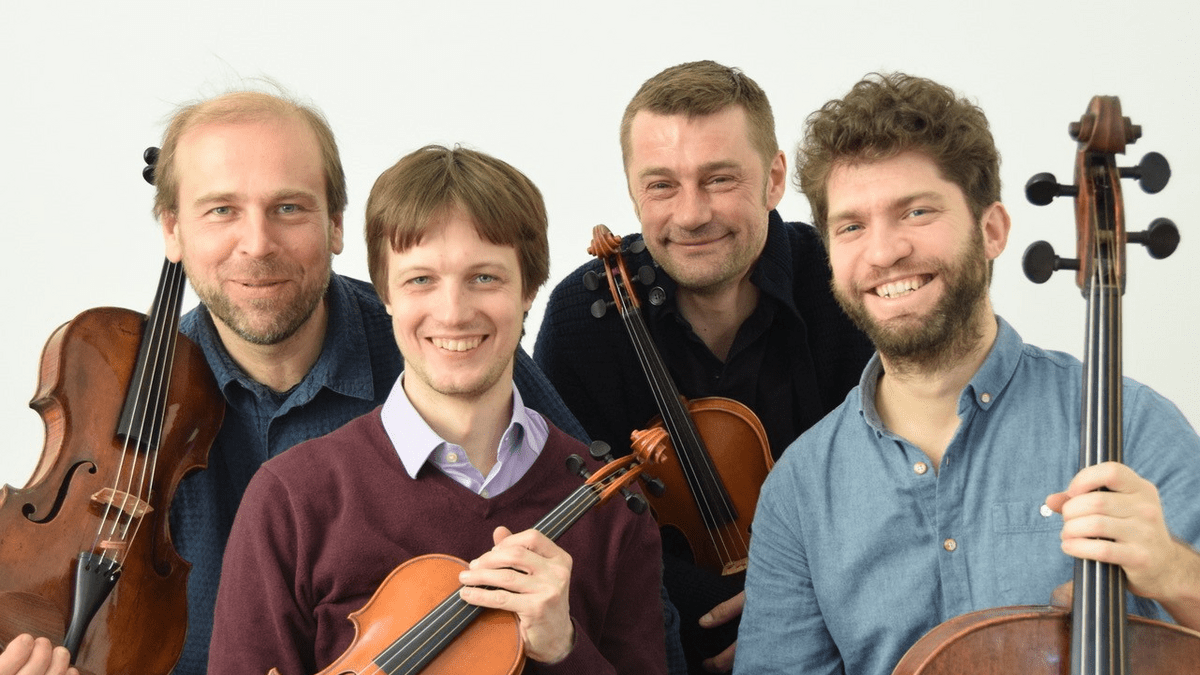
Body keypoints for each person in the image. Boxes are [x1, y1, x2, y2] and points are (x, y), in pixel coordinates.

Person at [0, 90, 588, 675]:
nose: (257, 245)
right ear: (172, 230)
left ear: (335, 224)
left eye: (288, 208)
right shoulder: (120, 383)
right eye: (221, 210)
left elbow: (587, 516)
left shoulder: (440, 346)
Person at [734, 72, 1200, 674]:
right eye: (851, 226)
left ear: (992, 230)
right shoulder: (800, 491)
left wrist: (1175, 572)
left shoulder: (1131, 428)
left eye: (916, 211)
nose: (883, 252)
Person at [206, 144, 667, 674]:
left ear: (529, 291)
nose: (453, 313)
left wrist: (565, 650)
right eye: (420, 279)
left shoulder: (612, 508)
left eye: (484, 277)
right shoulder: (291, 498)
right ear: (386, 294)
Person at [534, 61, 874, 673]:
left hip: (847, 628)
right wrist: (704, 613)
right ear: (633, 191)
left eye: (718, 180)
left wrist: (792, 606)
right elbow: (575, 520)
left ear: (774, 179)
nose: (691, 215)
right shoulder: (583, 319)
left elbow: (896, 482)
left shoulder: (841, 282)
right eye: (661, 185)